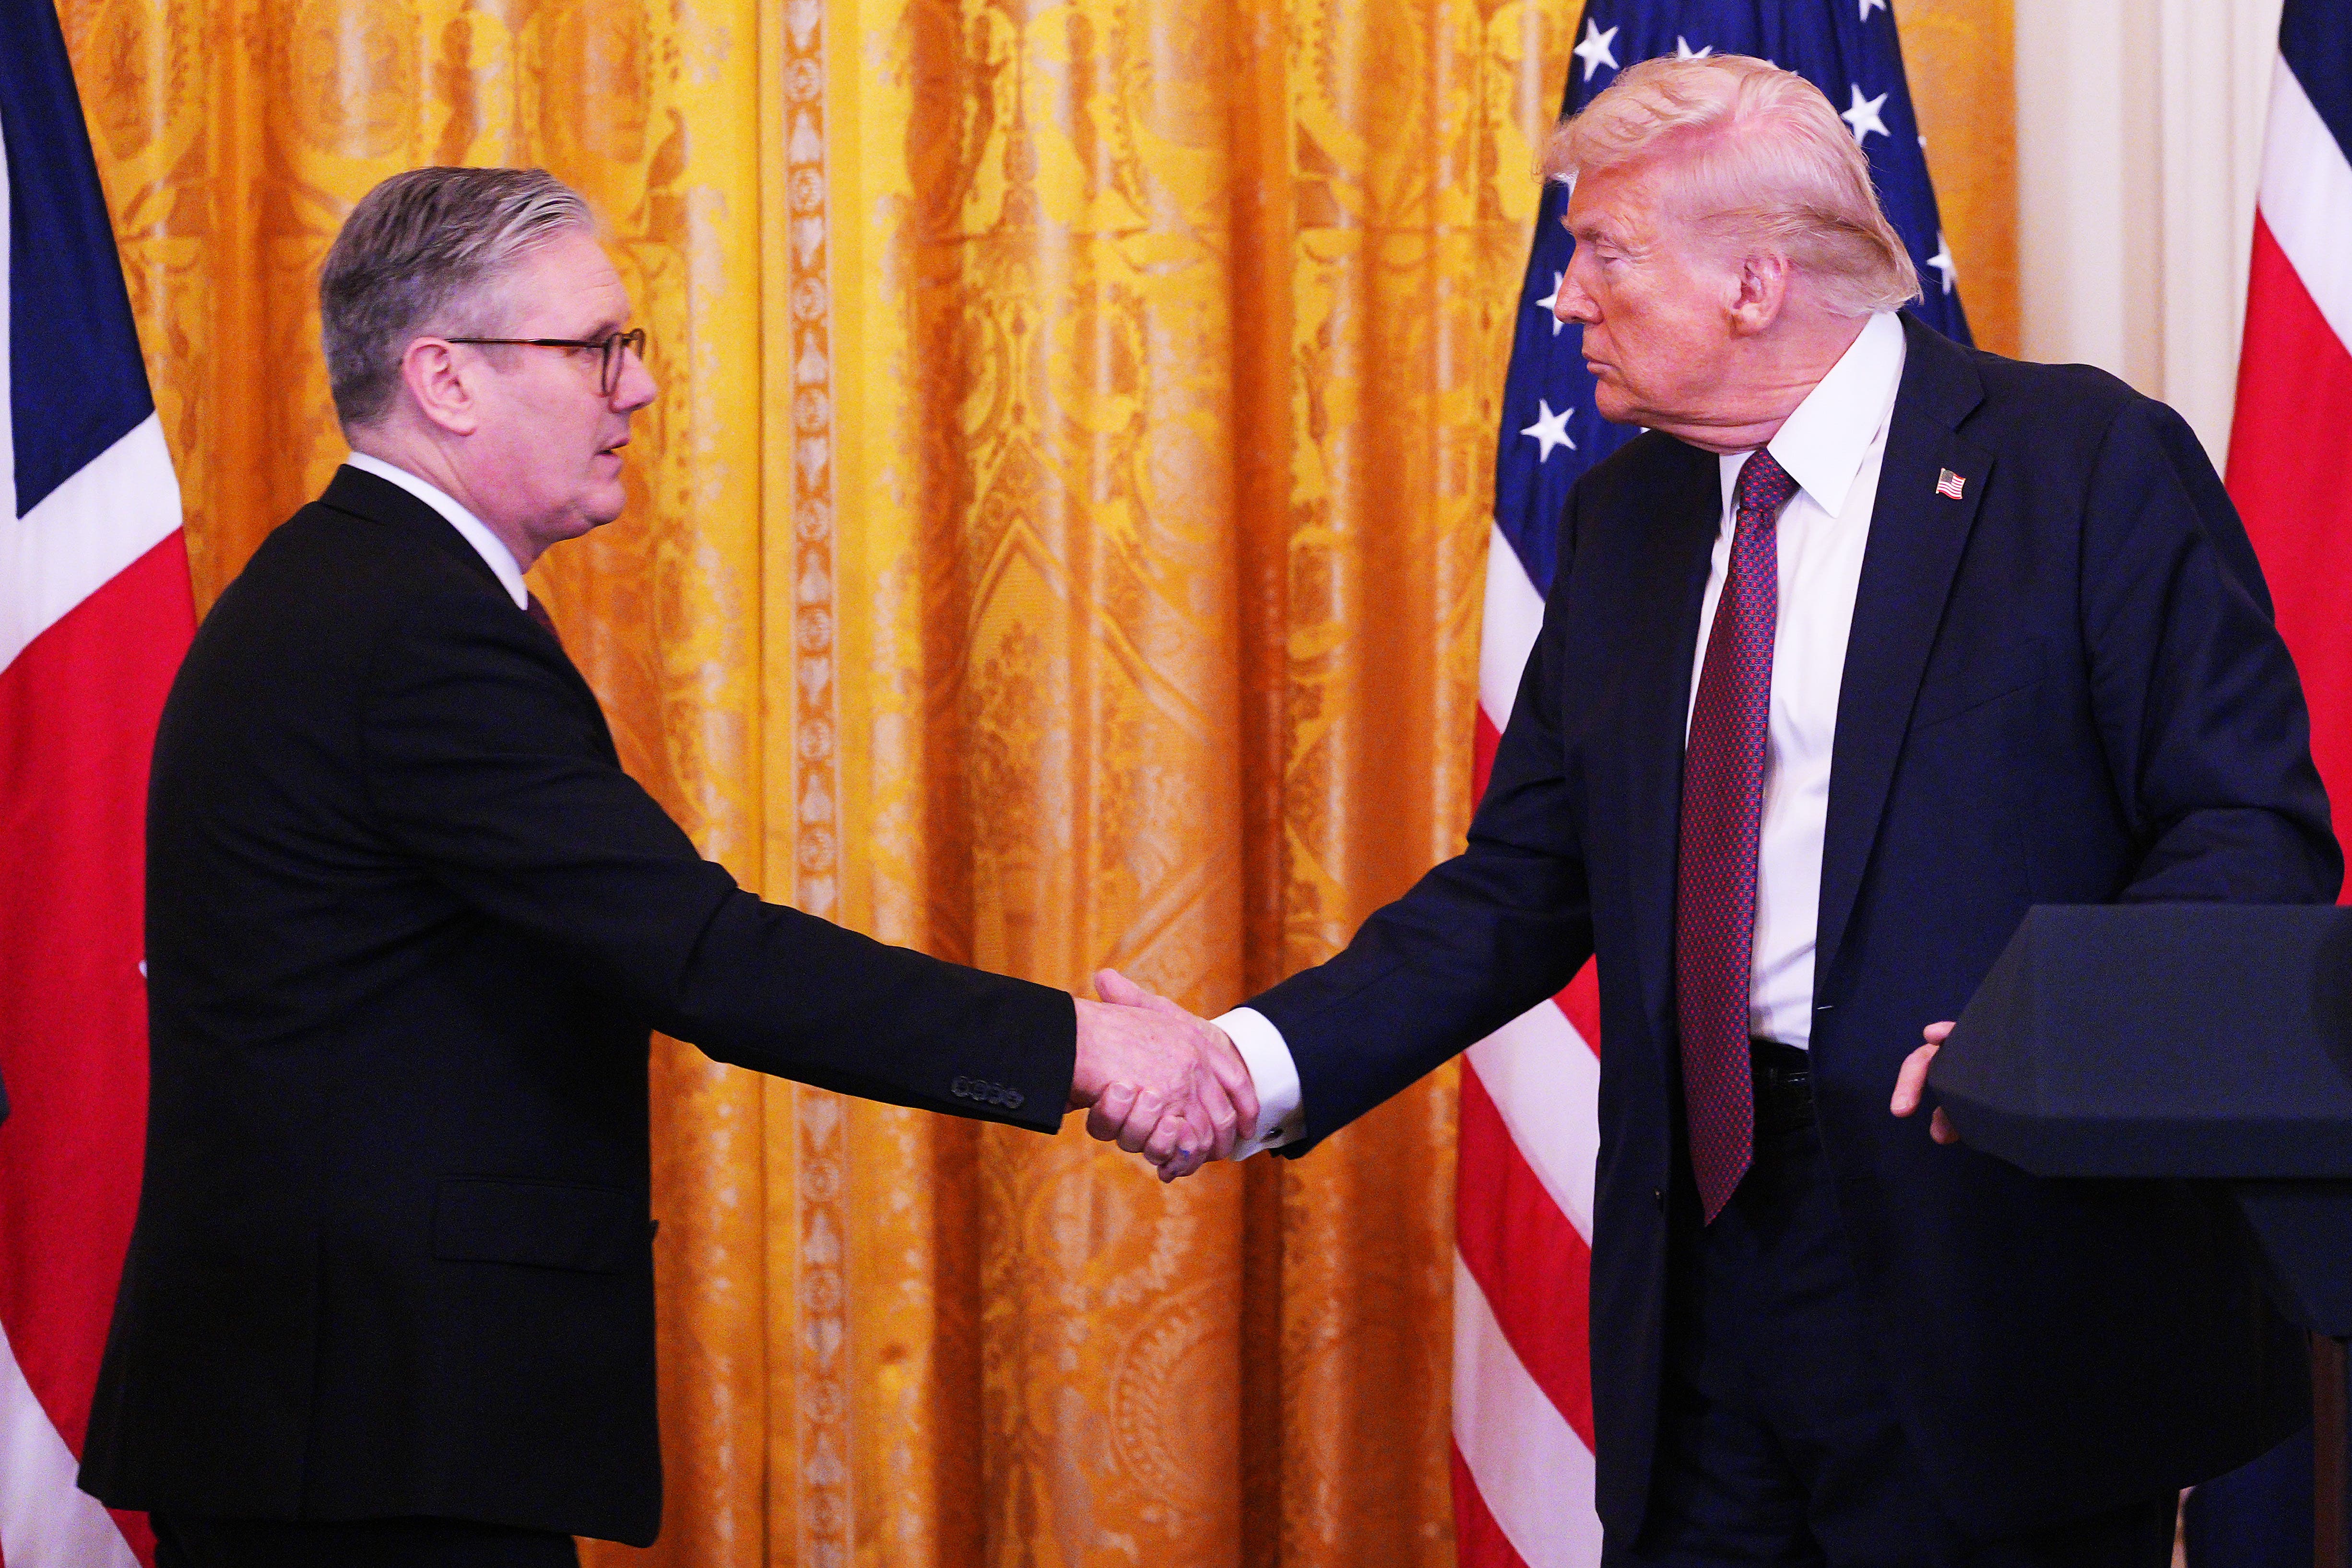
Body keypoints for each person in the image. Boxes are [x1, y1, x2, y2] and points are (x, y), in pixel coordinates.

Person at [1098, 55, 2340, 1566]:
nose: (1564, 299)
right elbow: (1518, 888)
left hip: (1992, 1257)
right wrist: (1247, 1060)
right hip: (1702, 1279)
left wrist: (2060, 1038)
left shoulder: (2077, 466)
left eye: (1602, 250)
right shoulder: (1630, 517)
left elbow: (2248, 828)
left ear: (1756, 282)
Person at [78, 166, 1249, 1568]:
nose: (636, 390)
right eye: (594, 348)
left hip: (357, 1414)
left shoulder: (366, 593)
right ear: (444, 379)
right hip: (368, 1432)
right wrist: (1085, 1048)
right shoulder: (406, 631)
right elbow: (702, 953)